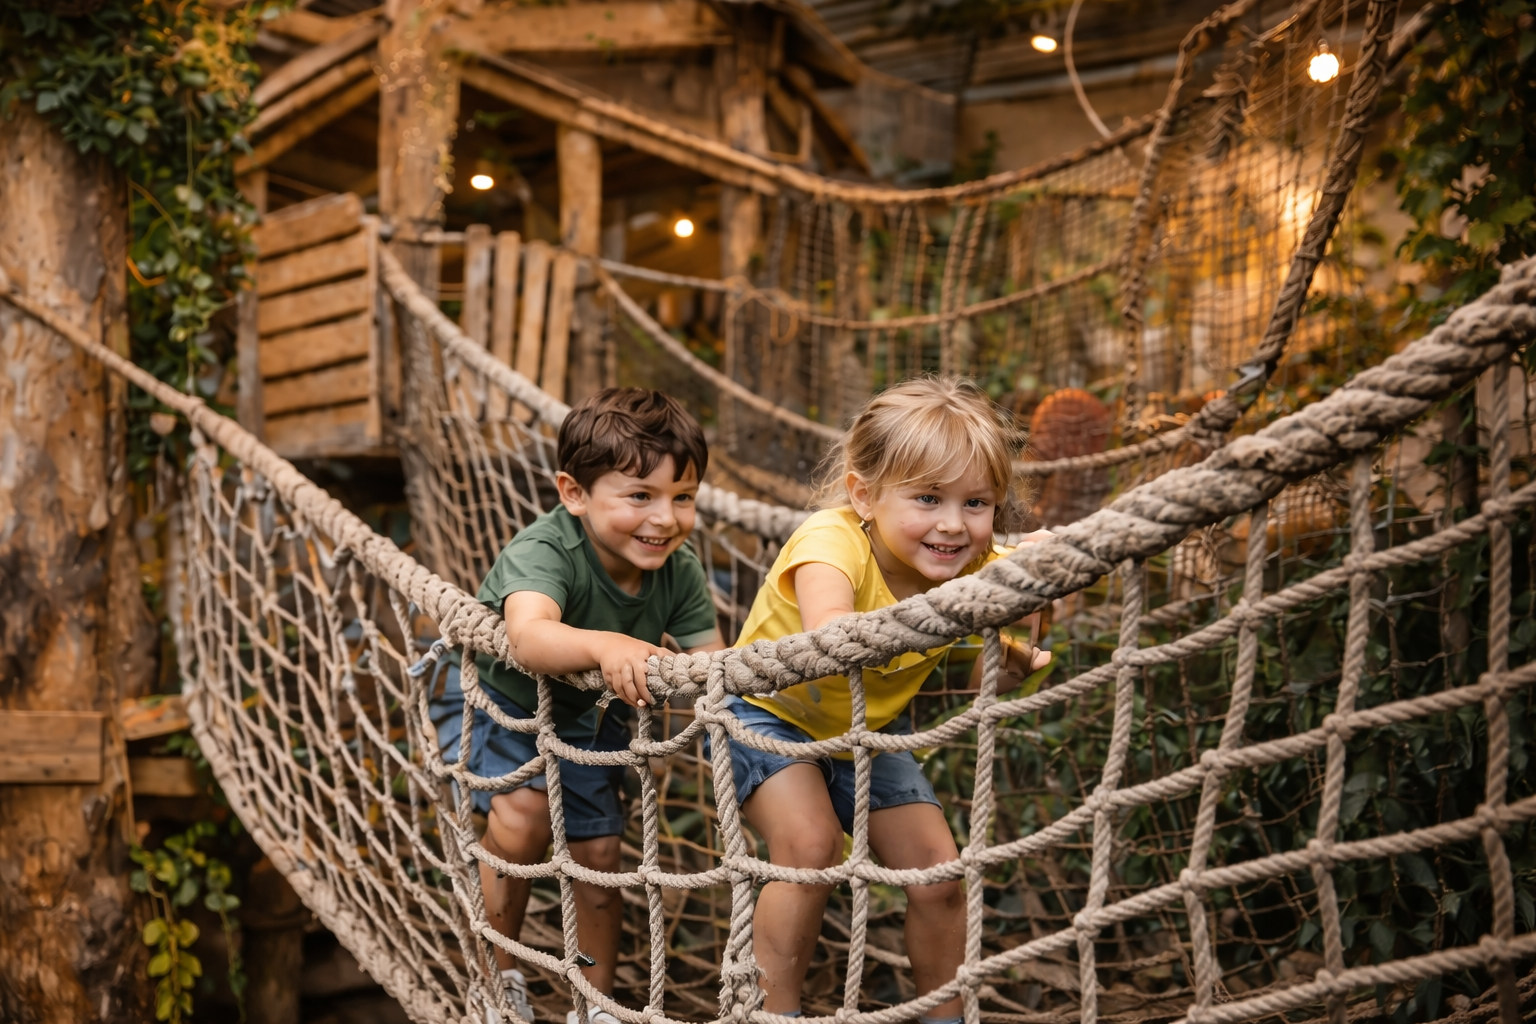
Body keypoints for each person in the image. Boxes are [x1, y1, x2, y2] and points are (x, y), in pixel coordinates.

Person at [718, 376, 1051, 1021]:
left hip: (862, 733)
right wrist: (969, 614)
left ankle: (943, 1017)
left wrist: (1018, 622)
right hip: (766, 717)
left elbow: (998, 638)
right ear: (864, 494)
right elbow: (832, 631)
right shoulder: (829, 543)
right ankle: (771, 1016)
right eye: (927, 498)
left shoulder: (968, 559)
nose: (952, 525)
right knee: (810, 848)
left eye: (977, 503)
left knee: (940, 874)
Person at [431, 388, 724, 1024]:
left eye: (684, 498)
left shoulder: (679, 571)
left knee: (599, 857)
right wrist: (607, 643)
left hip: (594, 723)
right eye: (640, 496)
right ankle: (497, 967)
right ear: (574, 494)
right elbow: (530, 637)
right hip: (508, 706)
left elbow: (713, 662)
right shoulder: (547, 549)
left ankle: (595, 1002)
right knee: (523, 820)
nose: (665, 518)